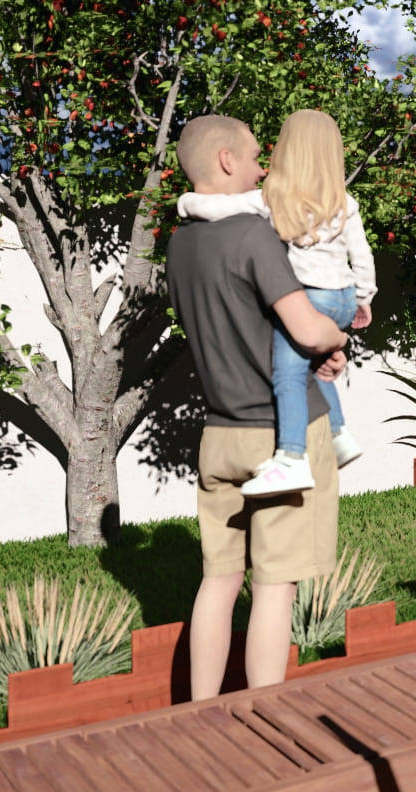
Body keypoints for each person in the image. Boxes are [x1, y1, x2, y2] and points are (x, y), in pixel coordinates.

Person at [165, 112, 350, 699]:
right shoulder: (252, 236)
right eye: (251, 156)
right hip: (279, 440)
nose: (260, 166)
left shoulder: (181, 244)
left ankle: (200, 715)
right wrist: (335, 339)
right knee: (275, 588)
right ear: (225, 162)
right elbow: (307, 327)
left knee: (218, 581)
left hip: (219, 434)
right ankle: (263, 725)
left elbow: (243, 326)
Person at [174, 107, 377, 494]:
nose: (262, 168)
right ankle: (339, 434)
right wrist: (362, 300)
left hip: (312, 300)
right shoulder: (343, 200)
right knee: (309, 365)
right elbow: (362, 255)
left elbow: (222, 207)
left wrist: (187, 204)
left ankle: (291, 457)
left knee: (288, 372)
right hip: (343, 297)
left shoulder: (272, 201)